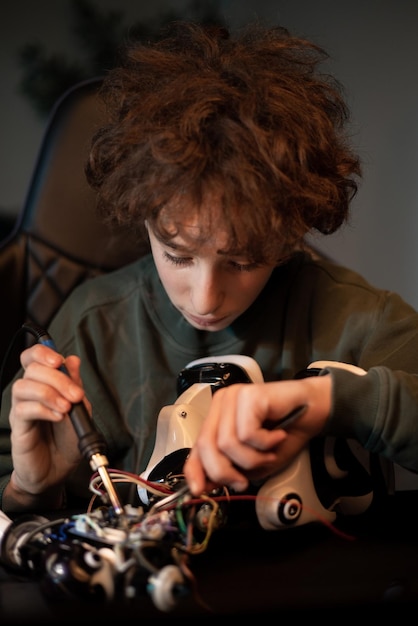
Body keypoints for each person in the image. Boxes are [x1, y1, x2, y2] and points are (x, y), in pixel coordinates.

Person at [1, 20, 418, 516]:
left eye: (241, 261)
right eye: (177, 255)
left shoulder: (355, 319)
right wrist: (30, 490)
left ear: (287, 235)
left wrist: (331, 402)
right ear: (143, 218)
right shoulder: (92, 329)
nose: (204, 299)